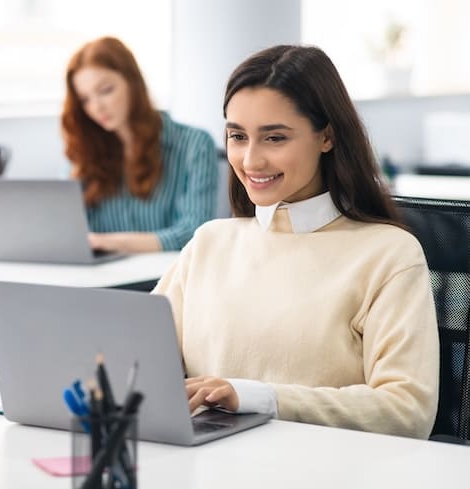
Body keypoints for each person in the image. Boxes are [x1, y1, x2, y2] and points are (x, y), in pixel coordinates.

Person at [153, 45, 439, 439]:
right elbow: (133, 359)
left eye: (274, 138)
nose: (250, 161)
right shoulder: (209, 243)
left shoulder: (388, 254)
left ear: (327, 137)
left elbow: (408, 411)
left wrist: (258, 397)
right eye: (237, 136)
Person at [62, 37, 218, 253]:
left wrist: (114, 243)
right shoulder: (85, 151)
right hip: (101, 280)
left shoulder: (195, 145)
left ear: (132, 82)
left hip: (167, 280)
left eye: (106, 90)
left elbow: (194, 234)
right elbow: (70, 231)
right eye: (85, 99)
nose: (96, 107)